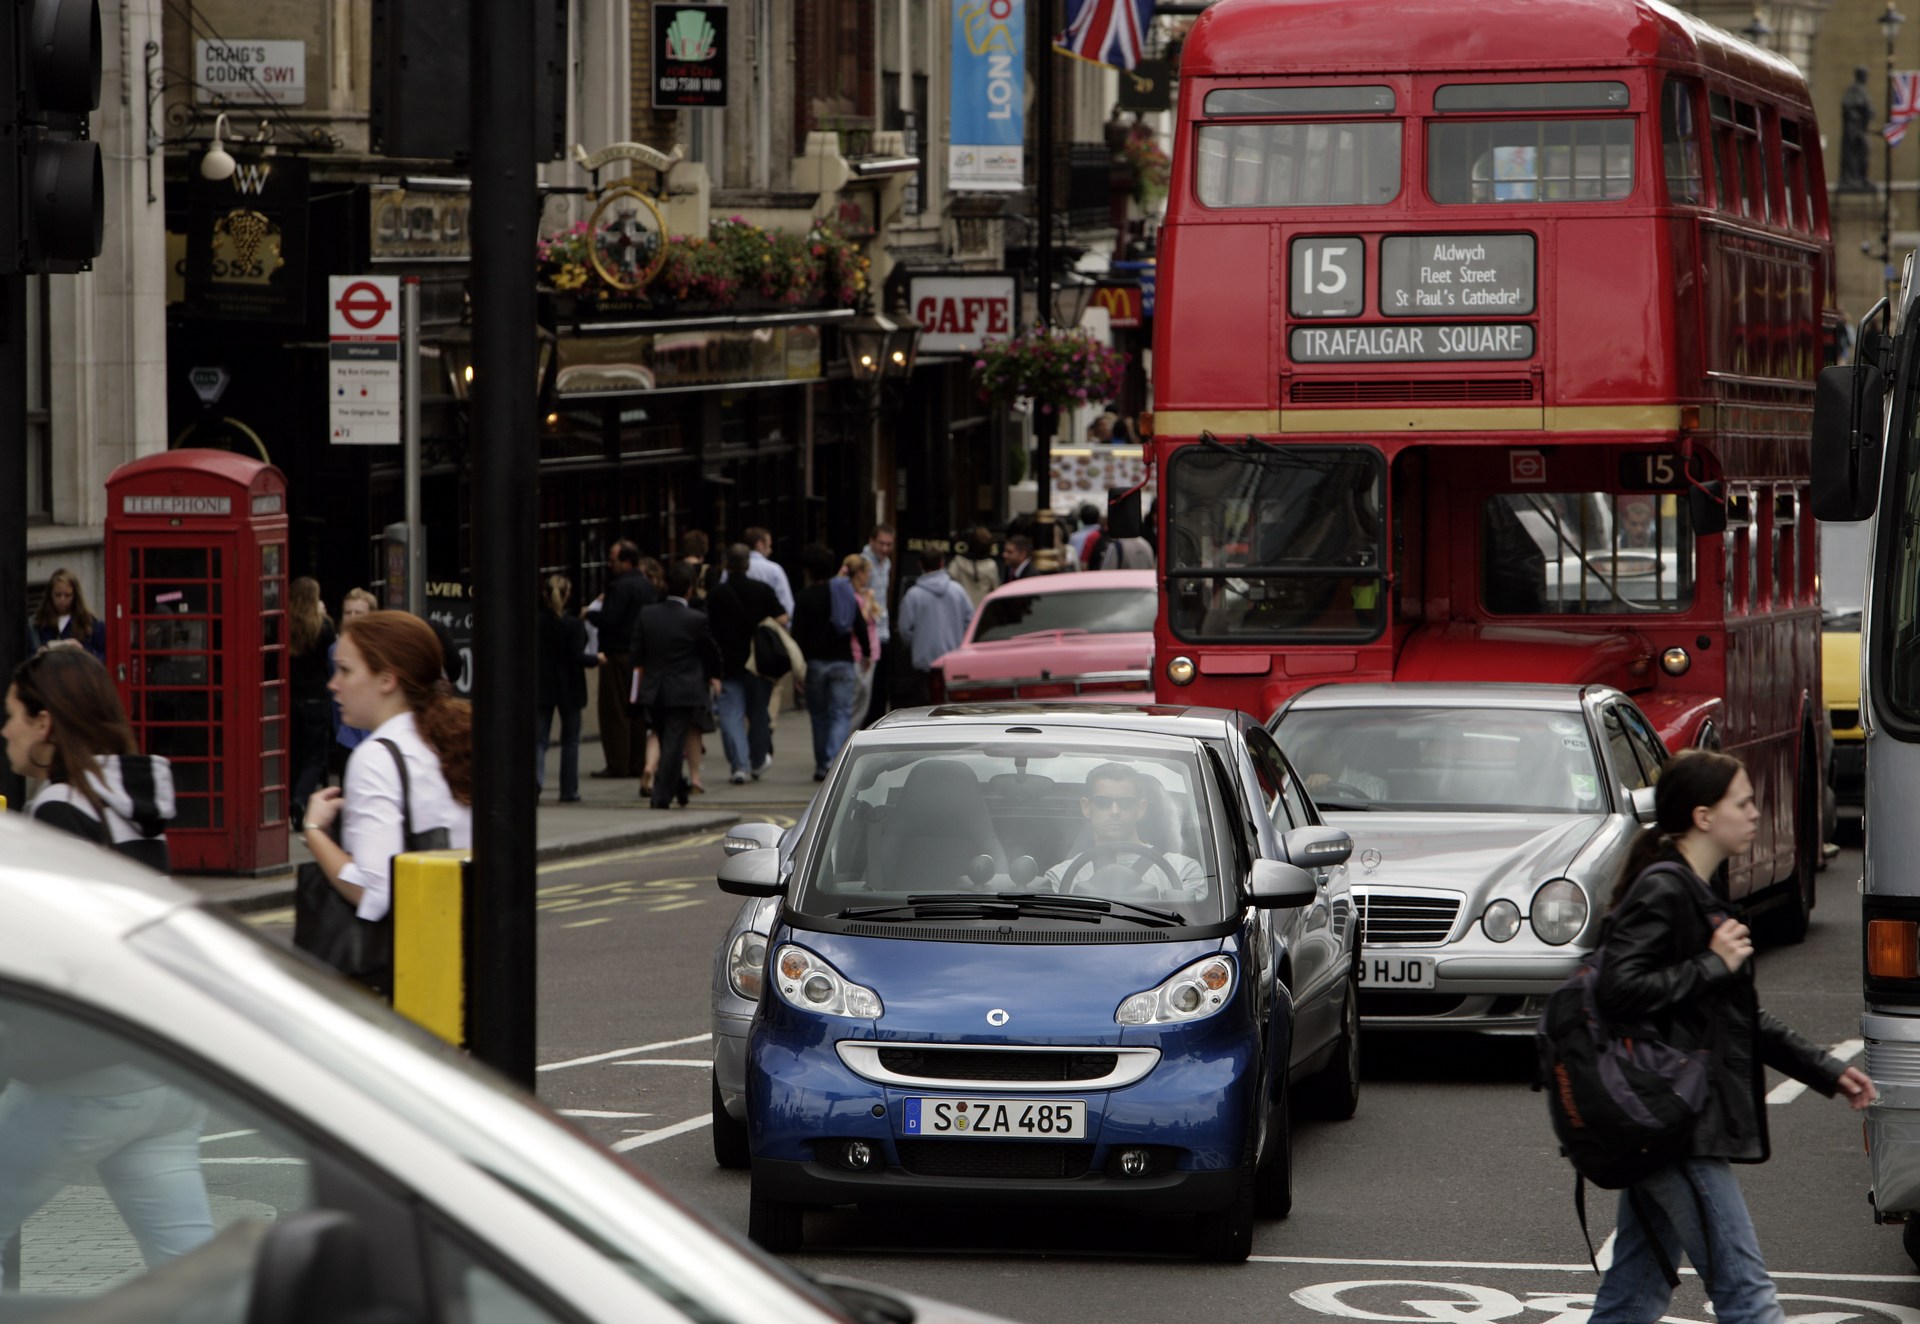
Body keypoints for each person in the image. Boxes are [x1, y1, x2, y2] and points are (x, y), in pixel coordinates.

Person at [1586, 750, 1876, 1324]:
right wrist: (1712, 965)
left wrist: (1823, 1069)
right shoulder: (1666, 890)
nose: (1754, 813)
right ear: (1703, 816)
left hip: (1668, 1116)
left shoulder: (1693, 890)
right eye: (1741, 803)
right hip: (1676, 1123)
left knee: (1633, 1295)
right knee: (1746, 1295)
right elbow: (1616, 991)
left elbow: (1733, 1016)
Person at [302, 612, 474, 931]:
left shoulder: (376, 759)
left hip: (414, 947)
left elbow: (374, 892)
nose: (333, 684)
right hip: (462, 937)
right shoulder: (449, 738)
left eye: (346, 670)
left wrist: (314, 832)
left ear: (386, 679)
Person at [4, 643, 175, 871]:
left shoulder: (61, 808)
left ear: (43, 723)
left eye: (11, 715)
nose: (5, 731)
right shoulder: (130, 801)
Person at [630, 562, 724, 809]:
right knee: (672, 742)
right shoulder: (695, 619)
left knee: (666, 738)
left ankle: (679, 787)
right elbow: (711, 652)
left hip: (654, 689)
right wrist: (714, 676)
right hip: (684, 690)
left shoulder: (647, 614)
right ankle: (661, 796)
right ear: (690, 590)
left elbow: (636, 652)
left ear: (665, 585)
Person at [1040, 762, 1207, 900]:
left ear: (1140, 809)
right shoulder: (1060, 877)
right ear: (1086, 807)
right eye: (1103, 802)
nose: (1115, 811)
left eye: (1125, 803)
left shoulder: (1182, 870)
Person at [708, 543, 784, 783]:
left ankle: (739, 766)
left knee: (731, 716)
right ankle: (758, 760)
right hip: (758, 663)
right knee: (758, 713)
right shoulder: (762, 590)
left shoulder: (716, 594)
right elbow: (782, 616)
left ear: (726, 565)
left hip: (727, 664)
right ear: (748, 564)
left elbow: (708, 629)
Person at [792, 544, 867, 781]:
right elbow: (859, 624)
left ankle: (822, 764)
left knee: (819, 716)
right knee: (841, 713)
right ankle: (834, 762)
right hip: (842, 661)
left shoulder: (803, 598)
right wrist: (866, 653)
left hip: (815, 664)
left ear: (808, 571)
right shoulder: (844, 593)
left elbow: (797, 636)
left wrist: (798, 670)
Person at [586, 540, 654, 779]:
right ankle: (637, 762)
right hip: (639, 655)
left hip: (617, 654)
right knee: (636, 709)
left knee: (615, 710)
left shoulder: (620, 586)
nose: (609, 564)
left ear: (626, 562)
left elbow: (610, 619)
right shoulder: (646, 585)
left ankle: (618, 763)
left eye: (613, 560)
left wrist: (591, 614)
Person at [535, 574, 595, 802]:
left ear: (545, 594)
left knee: (539, 739)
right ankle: (569, 790)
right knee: (570, 741)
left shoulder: (536, 622)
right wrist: (597, 659)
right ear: (568, 595)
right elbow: (577, 655)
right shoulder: (573, 624)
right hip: (570, 685)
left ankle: (535, 783)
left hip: (543, 684)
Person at [287, 576, 337, 830]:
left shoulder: (283, 624)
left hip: (291, 698)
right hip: (317, 697)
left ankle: (291, 801)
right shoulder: (324, 626)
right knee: (315, 757)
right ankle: (300, 798)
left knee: (295, 753)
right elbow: (333, 659)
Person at [896, 549, 975, 707]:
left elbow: (904, 630)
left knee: (925, 710)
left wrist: (918, 644)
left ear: (920, 565)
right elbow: (971, 622)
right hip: (954, 662)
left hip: (924, 664)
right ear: (942, 563)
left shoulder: (913, 595)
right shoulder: (958, 591)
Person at [329, 588, 377, 780]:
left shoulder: (382, 650)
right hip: (348, 739)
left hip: (376, 737)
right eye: (348, 613)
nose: (352, 618)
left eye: (359, 613)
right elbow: (335, 699)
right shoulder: (335, 650)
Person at [840, 553, 881, 735]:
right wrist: (868, 602)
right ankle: (847, 740)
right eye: (867, 572)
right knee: (856, 706)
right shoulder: (853, 596)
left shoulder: (859, 594)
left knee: (861, 706)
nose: (869, 576)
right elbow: (859, 622)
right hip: (859, 656)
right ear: (858, 574)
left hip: (867, 655)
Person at [860, 524, 896, 725]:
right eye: (881, 543)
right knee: (870, 689)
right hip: (869, 632)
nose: (884, 548)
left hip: (883, 630)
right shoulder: (863, 563)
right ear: (871, 541)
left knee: (881, 686)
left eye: (889, 544)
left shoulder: (887, 562)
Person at [30, 568, 105, 661]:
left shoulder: (90, 624)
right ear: (50, 595)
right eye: (58, 595)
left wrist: (82, 651)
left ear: (75, 596)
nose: (62, 600)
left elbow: (103, 658)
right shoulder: (38, 624)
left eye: (67, 595)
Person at [743, 526, 795, 617]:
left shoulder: (730, 569)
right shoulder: (774, 570)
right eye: (769, 545)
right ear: (759, 544)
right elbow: (786, 604)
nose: (771, 550)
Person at [948, 526, 1002, 607]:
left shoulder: (958, 562)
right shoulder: (991, 565)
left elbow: (948, 583)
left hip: (961, 609)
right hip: (982, 611)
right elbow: (996, 590)